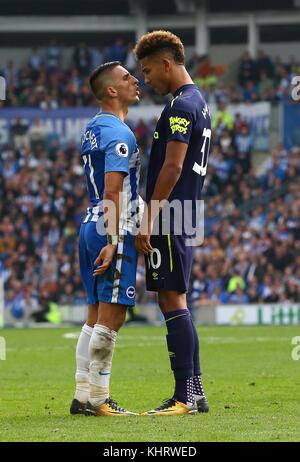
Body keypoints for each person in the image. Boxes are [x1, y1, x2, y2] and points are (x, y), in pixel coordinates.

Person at [134, 31, 210, 415]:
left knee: (171, 299)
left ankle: (185, 396)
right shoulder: (199, 102)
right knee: (175, 298)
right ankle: (193, 391)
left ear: (167, 63)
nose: (145, 79)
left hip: (170, 213)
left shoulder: (181, 106)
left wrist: (149, 216)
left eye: (147, 70)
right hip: (184, 212)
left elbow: (174, 165)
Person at [70, 61, 141, 416]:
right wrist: (114, 239)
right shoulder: (119, 133)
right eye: (128, 78)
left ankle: (83, 393)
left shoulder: (92, 128)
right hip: (111, 226)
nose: (136, 81)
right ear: (112, 90)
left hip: (89, 223)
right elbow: (113, 191)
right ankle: (99, 400)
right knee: (112, 318)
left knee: (94, 315)